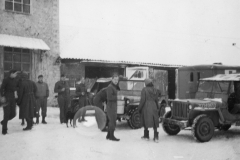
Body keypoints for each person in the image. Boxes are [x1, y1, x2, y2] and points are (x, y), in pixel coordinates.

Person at [138, 78, 160, 143]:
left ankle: (146, 136)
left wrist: (139, 108)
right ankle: (156, 137)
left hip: (146, 106)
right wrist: (157, 107)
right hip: (154, 106)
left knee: (146, 120)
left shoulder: (144, 90)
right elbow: (156, 100)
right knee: (154, 121)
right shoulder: (155, 90)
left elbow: (143, 100)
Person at [0, 69, 19, 135]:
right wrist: (2, 97)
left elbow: (15, 89)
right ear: (11, 73)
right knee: (6, 114)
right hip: (7, 97)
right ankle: (4, 130)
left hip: (13, 98)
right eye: (15, 74)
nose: (16, 75)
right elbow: (1, 88)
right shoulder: (6, 79)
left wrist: (16, 95)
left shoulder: (15, 80)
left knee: (13, 114)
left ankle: (3, 122)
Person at [106, 74, 120, 141]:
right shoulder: (110, 87)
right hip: (111, 106)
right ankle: (111, 136)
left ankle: (108, 135)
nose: (116, 81)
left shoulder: (114, 86)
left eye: (117, 80)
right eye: (115, 79)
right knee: (112, 121)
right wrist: (118, 97)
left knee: (111, 120)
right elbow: (109, 97)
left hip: (113, 106)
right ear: (112, 79)